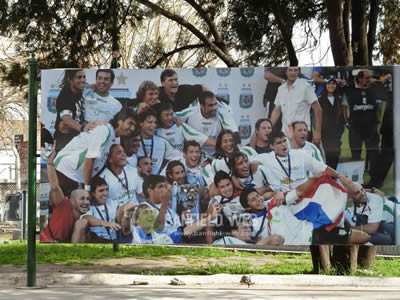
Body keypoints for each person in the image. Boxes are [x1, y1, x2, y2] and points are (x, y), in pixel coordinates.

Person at [55, 108, 136, 196]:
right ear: (120, 121)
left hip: (78, 177)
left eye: (134, 125)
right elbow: (90, 158)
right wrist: (87, 189)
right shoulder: (104, 130)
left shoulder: (115, 138)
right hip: (65, 170)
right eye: (130, 123)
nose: (132, 128)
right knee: (59, 205)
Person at [40, 143, 91, 243]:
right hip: (48, 241)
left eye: (88, 199)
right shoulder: (64, 205)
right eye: (82, 198)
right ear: (72, 201)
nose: (86, 202)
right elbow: (55, 187)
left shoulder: (85, 216)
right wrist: (50, 163)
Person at [254, 131, 330, 192]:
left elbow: (323, 167)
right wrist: (254, 162)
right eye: (279, 143)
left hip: (305, 194)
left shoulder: (299, 154)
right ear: (271, 146)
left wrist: (339, 175)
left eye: (284, 141)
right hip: (285, 198)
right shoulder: (266, 157)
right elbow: (251, 159)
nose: (284, 145)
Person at [342, 70, 381, 187]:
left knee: (373, 153)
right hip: (355, 128)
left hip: (371, 128)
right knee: (355, 154)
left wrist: (377, 121)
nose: (369, 79)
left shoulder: (374, 89)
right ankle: (356, 182)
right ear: (359, 79)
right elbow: (344, 106)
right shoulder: (350, 90)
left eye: (370, 77)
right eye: (367, 77)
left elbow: (378, 106)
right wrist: (347, 122)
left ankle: (375, 181)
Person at [270, 66, 322, 146]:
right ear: (286, 71)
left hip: (302, 134)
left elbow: (318, 109)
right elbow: (277, 110)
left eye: (295, 70)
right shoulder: (281, 89)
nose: (293, 73)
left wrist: (318, 132)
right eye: (290, 70)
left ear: (298, 72)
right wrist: (269, 128)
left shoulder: (305, 86)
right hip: (285, 133)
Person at [175, 91, 239, 156]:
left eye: (215, 104)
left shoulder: (222, 113)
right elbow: (172, 116)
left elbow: (235, 133)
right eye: (210, 105)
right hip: (195, 154)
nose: (214, 108)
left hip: (216, 153)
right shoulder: (190, 112)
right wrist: (178, 122)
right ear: (202, 106)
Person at [73, 177, 122, 243]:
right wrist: (105, 223)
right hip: (98, 241)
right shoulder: (88, 206)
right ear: (93, 193)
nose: (105, 193)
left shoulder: (112, 203)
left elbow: (122, 211)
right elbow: (87, 218)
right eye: (101, 190)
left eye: (106, 189)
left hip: (116, 239)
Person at [136, 108, 181, 174]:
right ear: (141, 123)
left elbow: (178, 157)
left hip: (155, 180)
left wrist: (163, 173)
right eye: (150, 122)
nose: (154, 125)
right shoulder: (133, 141)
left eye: (155, 123)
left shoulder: (162, 142)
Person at [54, 69, 87, 152]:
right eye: (79, 77)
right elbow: (66, 118)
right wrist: (83, 129)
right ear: (70, 80)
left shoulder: (80, 93)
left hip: (78, 143)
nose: (82, 80)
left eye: (84, 77)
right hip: (65, 145)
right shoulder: (65, 95)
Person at [318, 77, 345, 169]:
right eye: (329, 84)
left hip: (337, 134)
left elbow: (342, 117)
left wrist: (341, 129)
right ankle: (326, 178)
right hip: (324, 134)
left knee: (336, 155)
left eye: (333, 84)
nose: (331, 86)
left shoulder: (339, 99)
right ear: (325, 85)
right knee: (325, 156)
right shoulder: (320, 100)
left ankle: (332, 178)